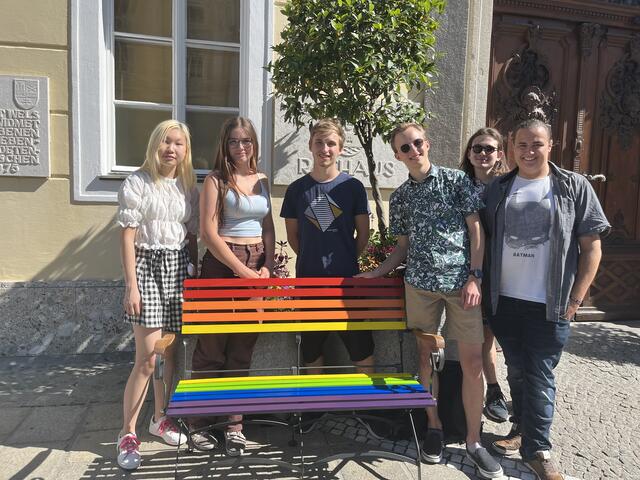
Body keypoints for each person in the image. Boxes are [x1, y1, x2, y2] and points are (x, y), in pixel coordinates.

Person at [358, 123, 503, 479]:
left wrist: (476, 276)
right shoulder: (402, 195)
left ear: (428, 143)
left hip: (460, 286)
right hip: (420, 288)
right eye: (405, 147)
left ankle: (473, 441)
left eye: (417, 143)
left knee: (471, 363)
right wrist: (377, 273)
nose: (413, 150)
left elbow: (475, 230)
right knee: (427, 358)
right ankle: (434, 428)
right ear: (397, 155)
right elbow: (402, 247)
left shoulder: (456, 181)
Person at [485, 119, 609, 480]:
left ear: (551, 145)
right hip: (504, 301)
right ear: (511, 147)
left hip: (550, 302)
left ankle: (538, 449)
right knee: (518, 371)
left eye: (536, 143)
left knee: (540, 374)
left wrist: (576, 300)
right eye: (521, 144)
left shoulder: (573, 186)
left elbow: (592, 248)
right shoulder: (499, 188)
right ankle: (521, 430)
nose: (528, 151)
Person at [116, 119, 199, 470]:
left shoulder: (186, 185)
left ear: (185, 149)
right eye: (166, 141)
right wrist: (131, 285)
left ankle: (160, 419)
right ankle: (128, 432)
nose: (171, 149)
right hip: (148, 267)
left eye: (178, 143)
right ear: (155, 144)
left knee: (170, 354)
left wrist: (193, 271)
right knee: (147, 358)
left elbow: (190, 234)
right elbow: (127, 237)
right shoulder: (137, 182)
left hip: (178, 267)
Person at [191, 116, 275, 456]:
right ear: (224, 145)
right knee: (212, 347)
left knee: (242, 348)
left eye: (247, 141)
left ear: (254, 143)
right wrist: (241, 270)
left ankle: (234, 427)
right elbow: (208, 234)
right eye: (234, 141)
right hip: (223, 267)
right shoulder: (215, 180)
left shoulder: (263, 180)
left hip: (256, 264)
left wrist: (267, 265)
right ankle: (199, 424)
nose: (241, 147)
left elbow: (268, 226)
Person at [280, 118, 373, 375]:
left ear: (340, 148)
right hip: (309, 283)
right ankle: (316, 413)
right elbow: (294, 238)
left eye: (331, 143)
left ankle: (365, 410)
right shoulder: (297, 190)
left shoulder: (352, 187)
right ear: (310, 146)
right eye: (319, 142)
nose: (325, 148)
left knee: (361, 348)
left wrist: (344, 259)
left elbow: (363, 235)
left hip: (347, 283)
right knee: (311, 350)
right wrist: (315, 259)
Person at [459, 128, 510, 424]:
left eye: (489, 149)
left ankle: (492, 390)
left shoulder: (507, 187)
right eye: (477, 148)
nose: (483, 154)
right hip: (463, 271)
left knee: (488, 336)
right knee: (475, 336)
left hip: (499, 271)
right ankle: (478, 392)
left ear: (500, 154)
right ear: (469, 153)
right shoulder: (458, 184)